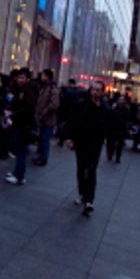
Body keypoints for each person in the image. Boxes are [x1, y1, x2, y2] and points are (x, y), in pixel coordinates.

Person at [61, 84, 107, 215]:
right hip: (81, 142)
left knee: (91, 170)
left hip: (95, 145)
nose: (95, 93)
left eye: (98, 90)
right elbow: (72, 121)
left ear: (102, 93)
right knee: (81, 169)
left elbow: (109, 125)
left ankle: (89, 200)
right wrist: (69, 138)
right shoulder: (82, 105)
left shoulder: (104, 109)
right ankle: (82, 193)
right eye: (93, 89)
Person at [4, 68, 37, 185]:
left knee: (21, 150)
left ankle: (19, 176)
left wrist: (14, 114)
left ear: (28, 78)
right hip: (20, 123)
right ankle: (17, 173)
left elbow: (27, 108)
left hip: (23, 125)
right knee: (19, 150)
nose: (19, 80)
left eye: (22, 77)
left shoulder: (29, 90)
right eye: (19, 77)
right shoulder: (21, 89)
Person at [33, 69, 60, 166]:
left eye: (43, 75)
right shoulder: (45, 87)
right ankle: (40, 156)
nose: (41, 77)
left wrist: (44, 112)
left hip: (48, 120)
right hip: (42, 119)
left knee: (45, 140)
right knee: (42, 139)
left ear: (47, 77)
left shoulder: (53, 89)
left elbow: (54, 104)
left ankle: (43, 158)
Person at [104, 94, 128, 164]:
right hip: (113, 128)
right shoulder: (114, 107)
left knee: (119, 145)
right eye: (120, 100)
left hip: (121, 129)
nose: (121, 101)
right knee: (110, 143)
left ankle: (118, 157)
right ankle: (110, 153)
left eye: (122, 100)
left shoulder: (126, 110)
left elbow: (126, 119)